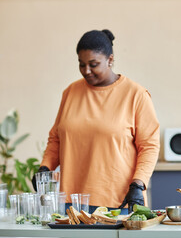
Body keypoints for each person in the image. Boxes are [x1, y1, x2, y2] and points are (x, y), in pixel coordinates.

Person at [32, 29, 160, 214]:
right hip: (72, 203)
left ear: (110, 59)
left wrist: (138, 184)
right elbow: (56, 139)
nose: (86, 71)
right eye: (81, 64)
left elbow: (149, 146)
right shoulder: (70, 93)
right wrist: (45, 167)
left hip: (119, 202)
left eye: (93, 64)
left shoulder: (135, 95)